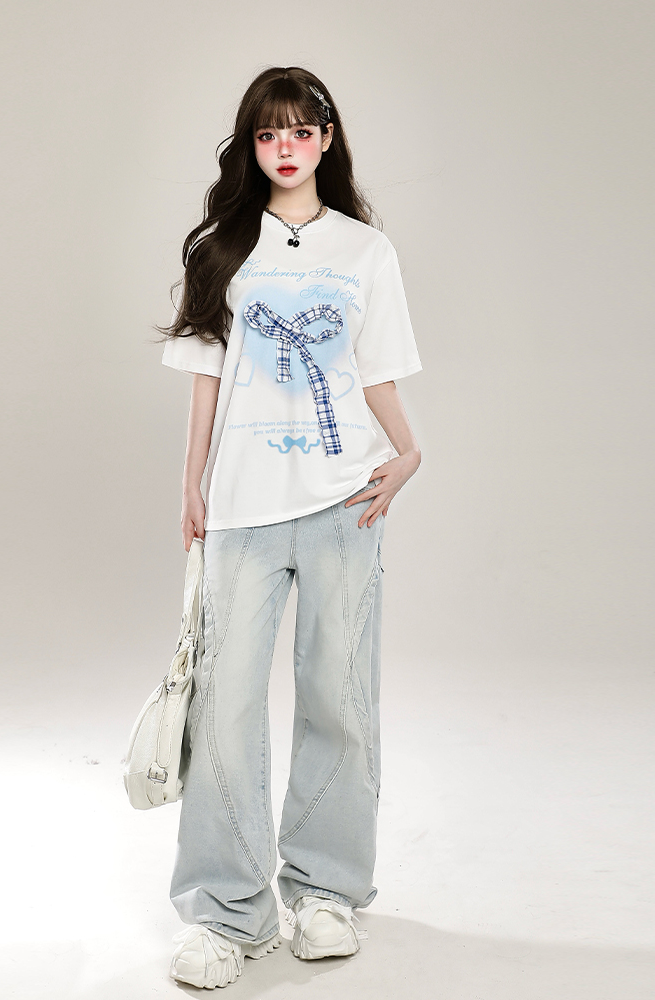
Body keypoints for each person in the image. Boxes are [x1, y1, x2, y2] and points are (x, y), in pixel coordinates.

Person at [158, 66, 423, 990]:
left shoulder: (365, 251)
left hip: (345, 499)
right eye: (269, 133)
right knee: (223, 707)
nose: (286, 148)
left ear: (326, 139)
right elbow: (205, 374)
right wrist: (191, 483)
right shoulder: (221, 246)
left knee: (339, 698)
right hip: (241, 505)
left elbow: (377, 369)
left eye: (302, 131)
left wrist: (410, 452)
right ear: (252, 143)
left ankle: (326, 891)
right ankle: (225, 910)